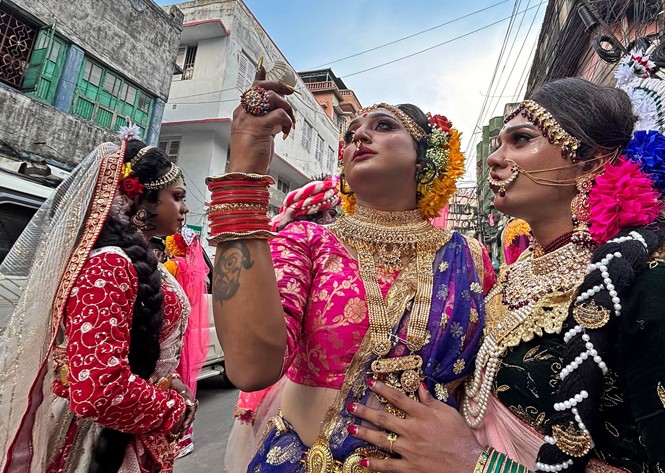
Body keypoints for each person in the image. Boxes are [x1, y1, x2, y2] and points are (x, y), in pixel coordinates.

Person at [347, 78, 665, 472]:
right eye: (498, 144)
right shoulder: (501, 284)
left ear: (593, 160)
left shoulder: (662, 296)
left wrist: (475, 464)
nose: (495, 160)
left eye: (521, 139)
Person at [208, 65, 494, 472]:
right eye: (352, 133)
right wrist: (247, 168)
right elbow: (251, 368)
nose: (359, 135)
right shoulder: (308, 240)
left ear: (424, 159)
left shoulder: (471, 256)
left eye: (383, 126)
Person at [0, 131, 197, 472]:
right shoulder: (110, 263)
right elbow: (99, 389)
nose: (185, 208)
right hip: (95, 442)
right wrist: (173, 409)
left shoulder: (141, 262)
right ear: (142, 199)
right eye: (177, 196)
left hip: (130, 429)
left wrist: (167, 381)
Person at [224, 175, 341, 473]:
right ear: (320, 217)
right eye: (334, 215)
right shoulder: (298, 244)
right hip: (288, 375)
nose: (338, 222)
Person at [163, 228, 210, 459]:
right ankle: (185, 437)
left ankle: (173, 435)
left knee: (171, 377)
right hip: (189, 328)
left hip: (173, 328)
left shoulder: (173, 267)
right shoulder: (194, 269)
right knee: (186, 378)